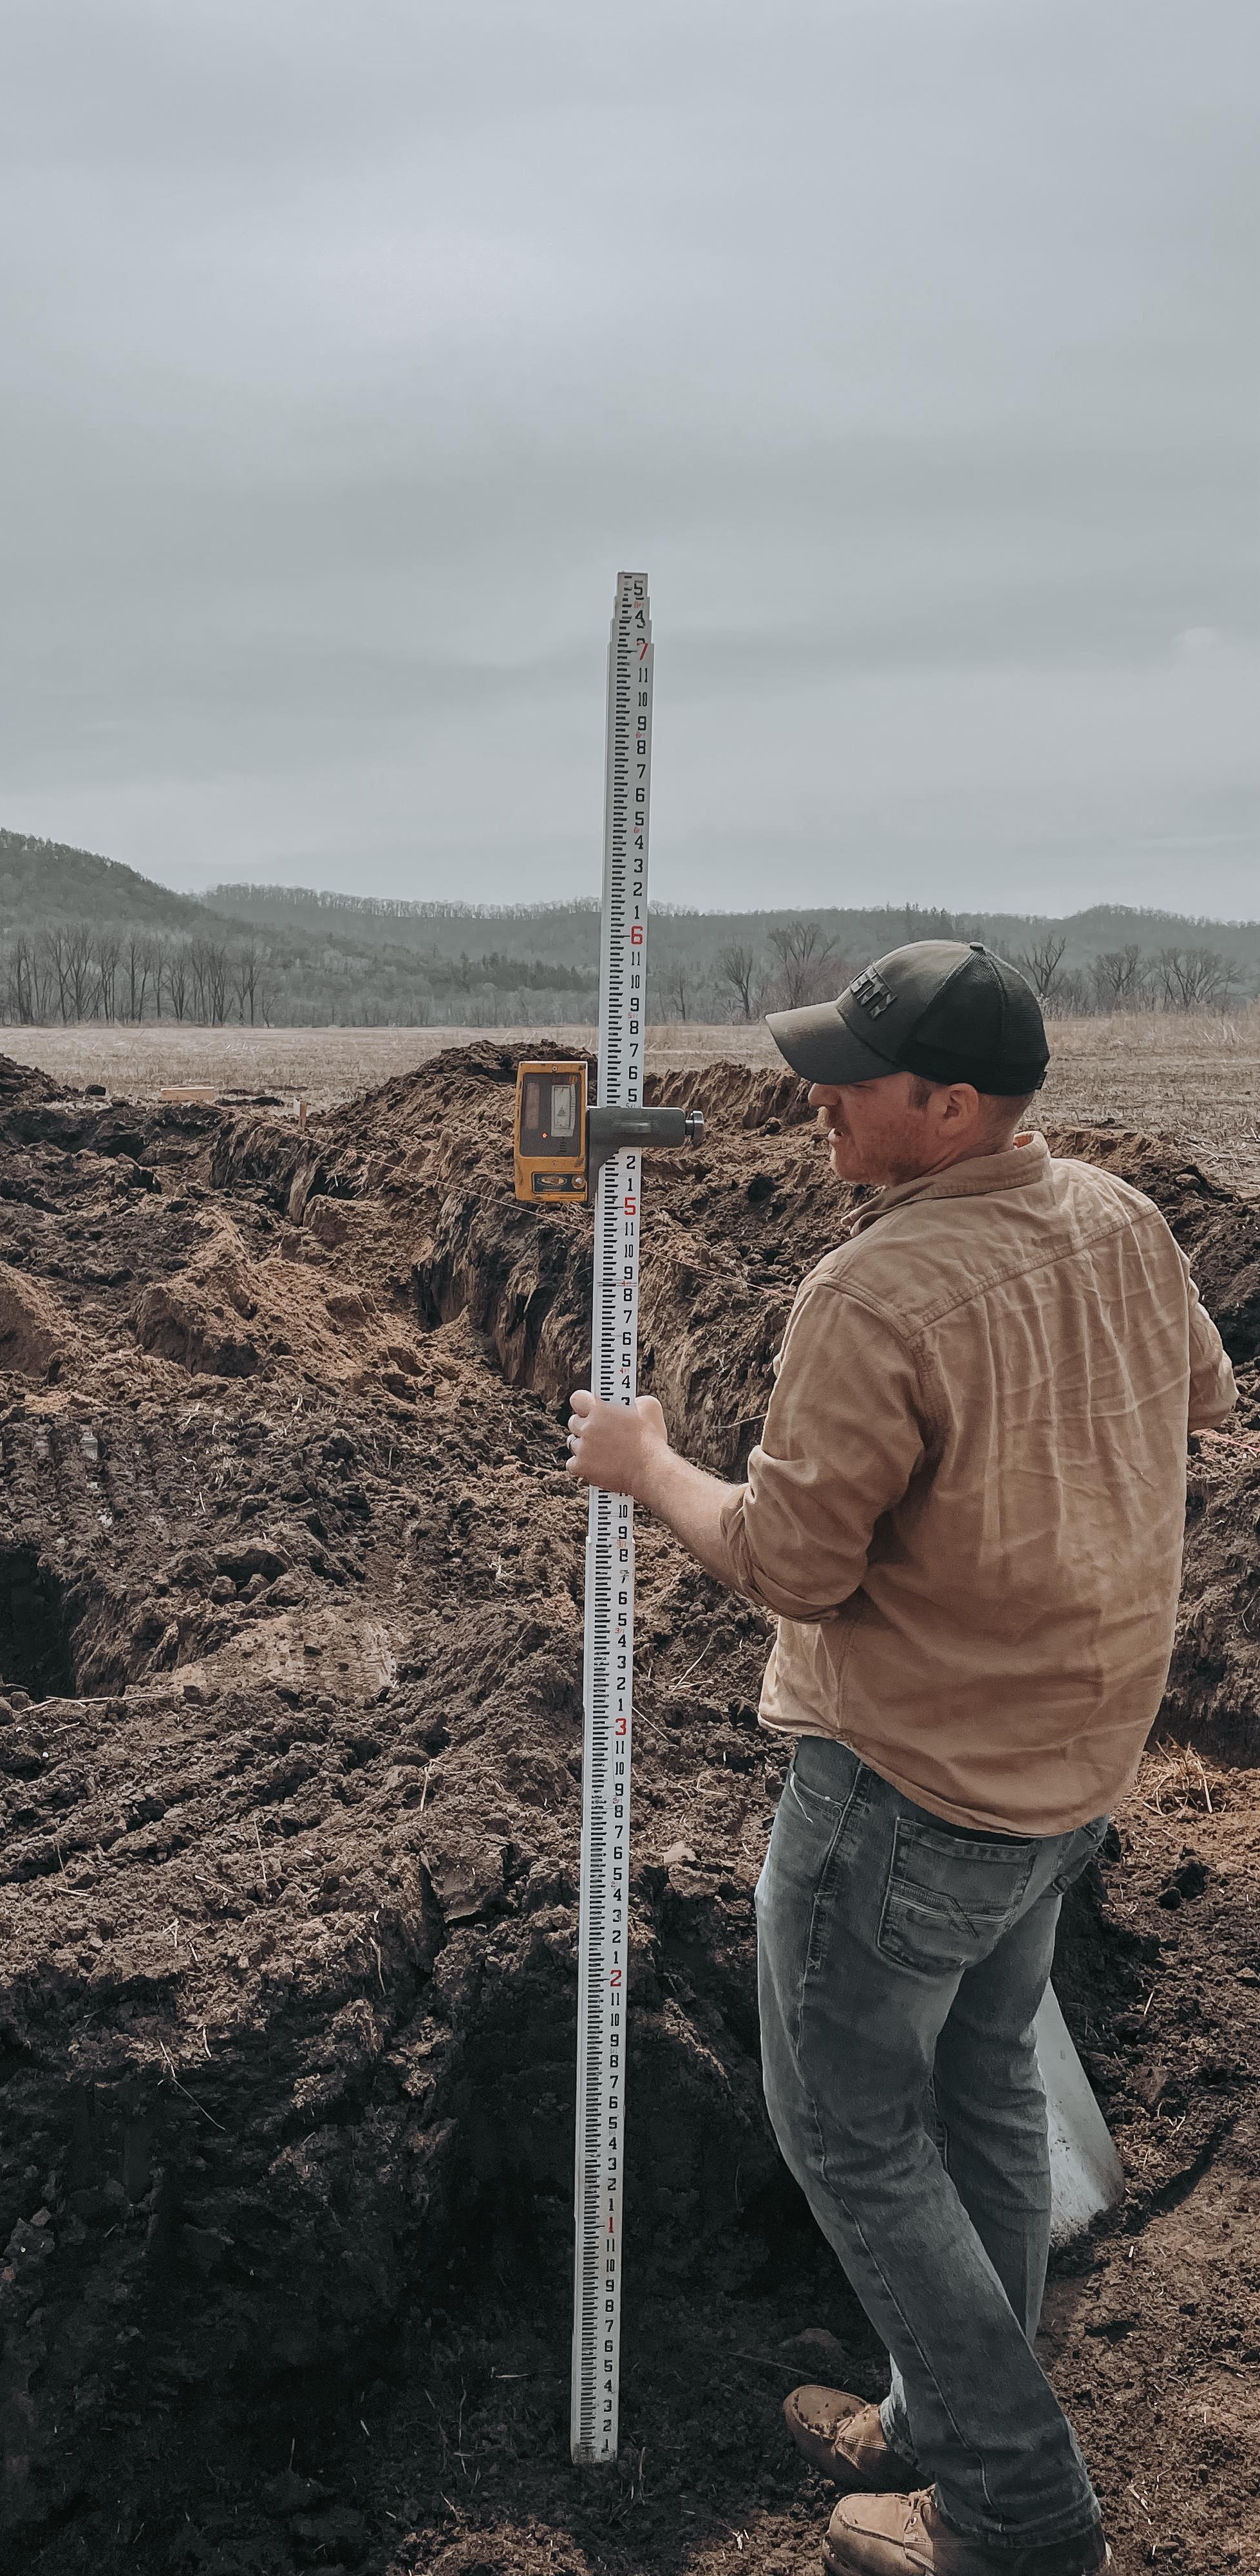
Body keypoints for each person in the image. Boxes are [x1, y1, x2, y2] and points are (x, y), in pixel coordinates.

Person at [565, 940, 1236, 2576]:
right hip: (1070, 1770)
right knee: (986, 2084)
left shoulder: (873, 1290)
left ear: (948, 1107)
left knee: (855, 2140)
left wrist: (647, 1466)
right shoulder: (1129, 1224)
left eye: (848, 1081)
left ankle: (1011, 2504)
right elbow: (1203, 1402)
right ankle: (937, 2420)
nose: (816, 1102)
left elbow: (792, 1564)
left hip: (910, 1790)